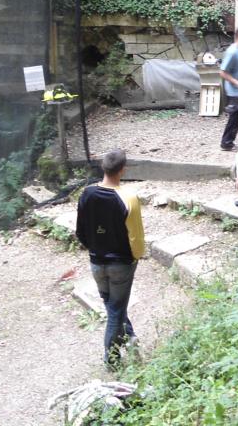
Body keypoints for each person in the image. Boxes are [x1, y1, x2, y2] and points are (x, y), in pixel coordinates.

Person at [75, 149, 146, 368]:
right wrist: (136, 257)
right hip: (121, 264)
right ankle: (111, 359)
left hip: (96, 262)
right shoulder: (129, 198)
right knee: (115, 310)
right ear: (123, 169)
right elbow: (135, 236)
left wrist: (94, 248)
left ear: (103, 167)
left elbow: (80, 231)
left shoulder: (86, 193)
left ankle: (130, 336)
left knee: (112, 305)